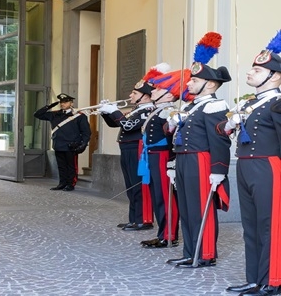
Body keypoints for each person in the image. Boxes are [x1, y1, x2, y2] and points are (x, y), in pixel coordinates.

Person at [166, 32, 232, 268]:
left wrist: (219, 170)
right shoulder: (191, 107)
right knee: (186, 206)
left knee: (200, 206)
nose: (189, 83)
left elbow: (220, 140)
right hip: (184, 160)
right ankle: (189, 250)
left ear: (211, 84)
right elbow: (174, 136)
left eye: (194, 80)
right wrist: (172, 161)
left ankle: (205, 253)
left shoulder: (215, 105)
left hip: (202, 161)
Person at [223, 32, 281, 295]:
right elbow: (219, 130)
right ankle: (254, 277)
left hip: (268, 167)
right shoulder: (250, 104)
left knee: (269, 224)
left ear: (275, 76)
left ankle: (272, 280)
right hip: (246, 166)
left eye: (257, 70)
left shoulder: (277, 104)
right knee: (251, 224)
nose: (250, 73)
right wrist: (229, 124)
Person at [98, 63, 169, 231]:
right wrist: (106, 112)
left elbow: (128, 126)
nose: (130, 95)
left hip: (136, 149)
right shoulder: (137, 110)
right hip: (127, 149)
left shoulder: (147, 111)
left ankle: (143, 219)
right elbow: (118, 125)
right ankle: (134, 218)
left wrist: (114, 111)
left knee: (138, 185)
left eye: (135, 93)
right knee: (130, 185)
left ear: (145, 96)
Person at [137, 68, 188, 247]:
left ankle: (169, 235)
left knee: (165, 196)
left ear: (168, 95)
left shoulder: (168, 112)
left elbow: (173, 138)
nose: (153, 91)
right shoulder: (157, 110)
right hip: (152, 155)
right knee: (157, 195)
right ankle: (163, 233)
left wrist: (172, 161)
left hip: (162, 156)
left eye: (158, 89)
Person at [34, 93, 91, 191]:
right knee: (61, 166)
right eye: (61, 102)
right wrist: (49, 106)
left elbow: (86, 132)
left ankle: (70, 184)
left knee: (71, 166)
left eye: (65, 102)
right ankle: (62, 183)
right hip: (58, 144)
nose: (62, 104)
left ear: (71, 103)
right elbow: (37, 114)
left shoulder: (79, 116)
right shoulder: (55, 114)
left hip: (71, 145)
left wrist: (83, 144)